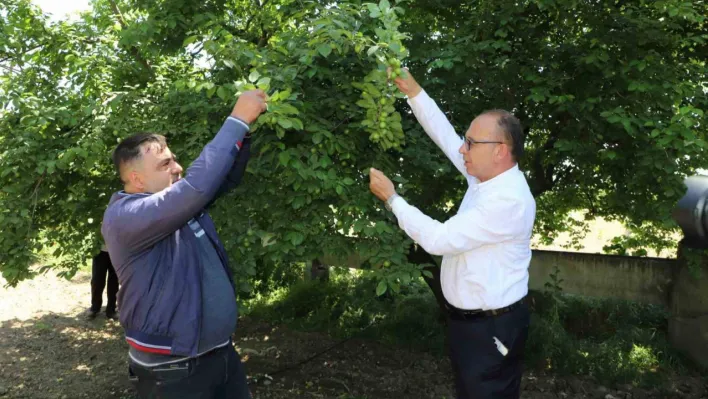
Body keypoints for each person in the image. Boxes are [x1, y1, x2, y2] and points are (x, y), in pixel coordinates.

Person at [369, 69, 536, 399]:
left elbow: (438, 240)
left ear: (501, 150)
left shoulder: (508, 200)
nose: (464, 149)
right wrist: (414, 92)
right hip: (471, 325)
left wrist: (392, 199)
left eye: (471, 143)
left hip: (491, 331)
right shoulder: (486, 177)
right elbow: (446, 137)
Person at [101, 90, 267, 399]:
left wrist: (244, 133)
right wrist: (237, 120)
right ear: (137, 180)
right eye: (165, 165)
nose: (177, 167)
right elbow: (196, 188)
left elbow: (223, 180)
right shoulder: (126, 216)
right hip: (174, 369)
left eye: (174, 159)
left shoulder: (180, 206)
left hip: (221, 355)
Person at [85, 244, 119, 320]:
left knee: (114, 282)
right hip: (99, 250)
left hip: (117, 250)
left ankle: (111, 310)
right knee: (97, 280)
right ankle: (95, 308)